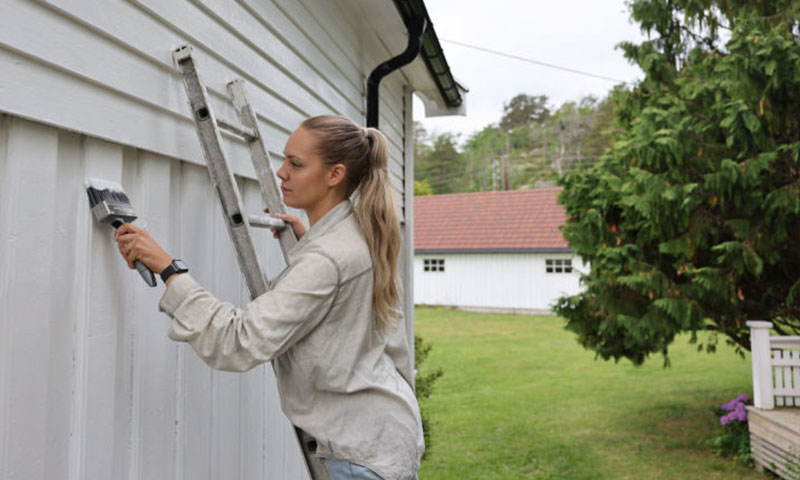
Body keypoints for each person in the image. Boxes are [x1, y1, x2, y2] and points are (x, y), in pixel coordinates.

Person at [113, 115, 424, 480]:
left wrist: (169, 269)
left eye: (296, 164)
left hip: (361, 456)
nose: (280, 172)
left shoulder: (328, 258)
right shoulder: (359, 233)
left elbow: (238, 341)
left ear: (335, 175)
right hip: (387, 437)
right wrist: (309, 244)